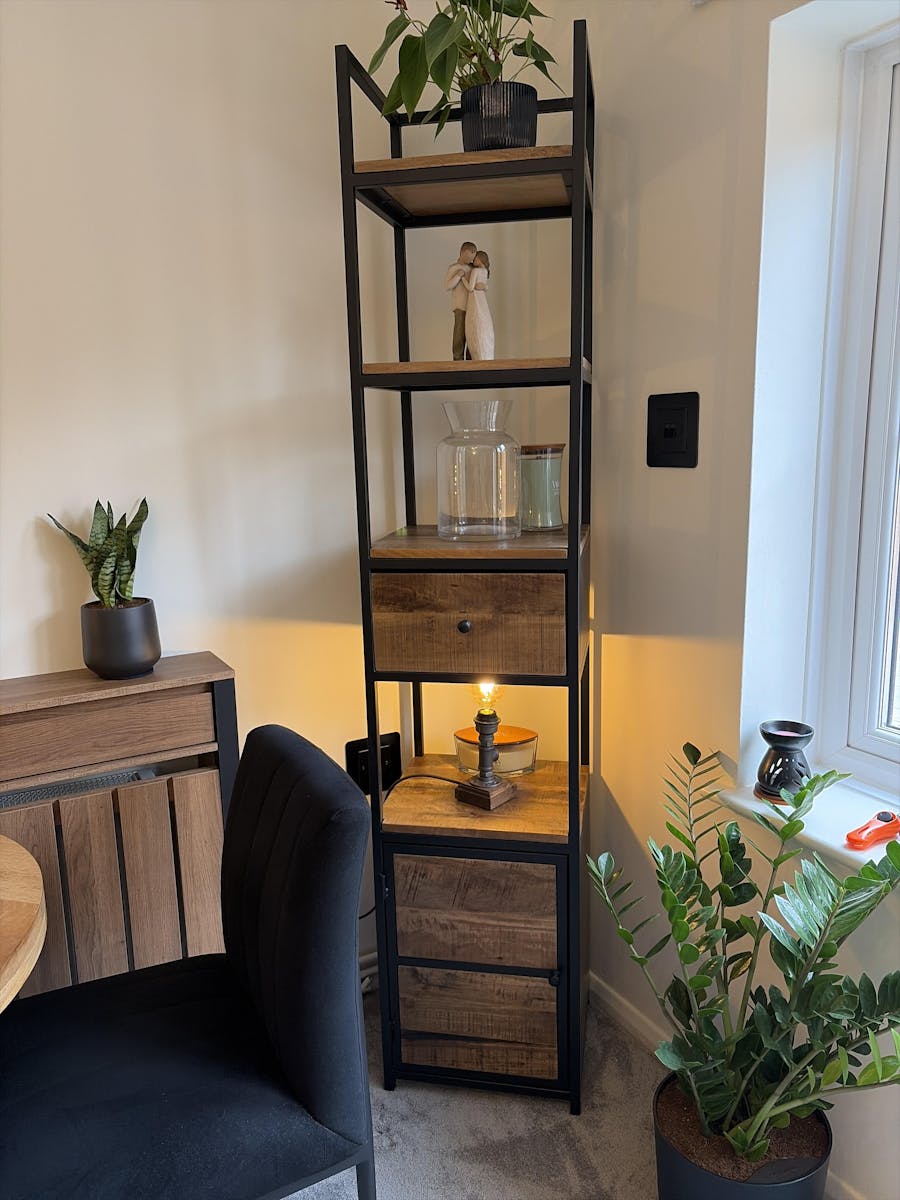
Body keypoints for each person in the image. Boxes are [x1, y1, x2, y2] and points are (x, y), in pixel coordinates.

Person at [444, 242, 476, 360]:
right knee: (459, 334)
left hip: (473, 307)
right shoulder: (454, 268)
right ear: (462, 253)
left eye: (472, 257)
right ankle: (457, 359)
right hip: (460, 307)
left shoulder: (473, 268)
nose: (470, 260)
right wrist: (458, 276)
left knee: (472, 335)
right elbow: (447, 286)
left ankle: (471, 359)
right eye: (468, 257)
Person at [464, 250, 494, 361]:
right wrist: (485, 287)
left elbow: (470, 288)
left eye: (475, 258)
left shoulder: (475, 271)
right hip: (482, 300)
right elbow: (484, 286)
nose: (473, 260)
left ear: (479, 259)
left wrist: (462, 279)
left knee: (474, 322)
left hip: (474, 299)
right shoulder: (485, 271)